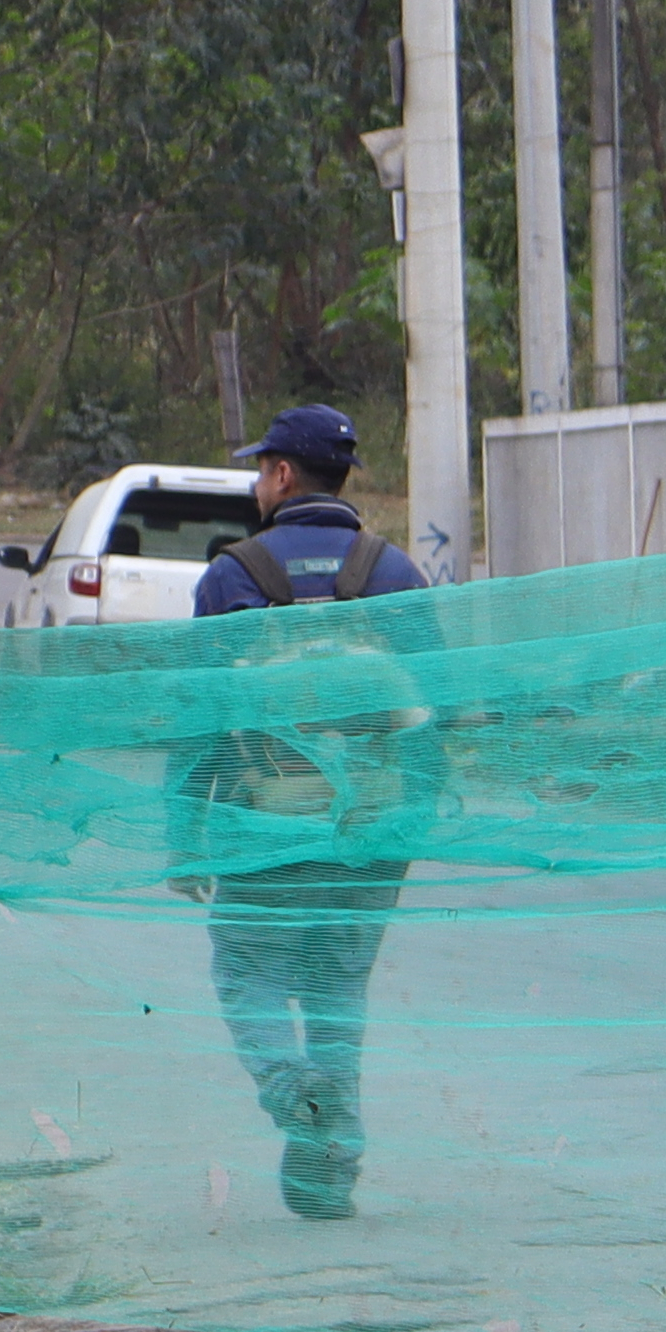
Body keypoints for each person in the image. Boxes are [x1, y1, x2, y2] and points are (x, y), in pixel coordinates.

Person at [181, 405, 437, 1221]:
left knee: (246, 972)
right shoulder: (397, 575)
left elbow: (200, 719)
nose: (259, 483)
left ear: (284, 475)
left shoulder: (233, 576)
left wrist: (184, 832)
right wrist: (414, 822)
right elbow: (435, 713)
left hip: (267, 823)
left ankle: (294, 1093)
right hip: (372, 829)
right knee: (336, 988)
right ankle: (330, 1175)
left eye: (262, 469)